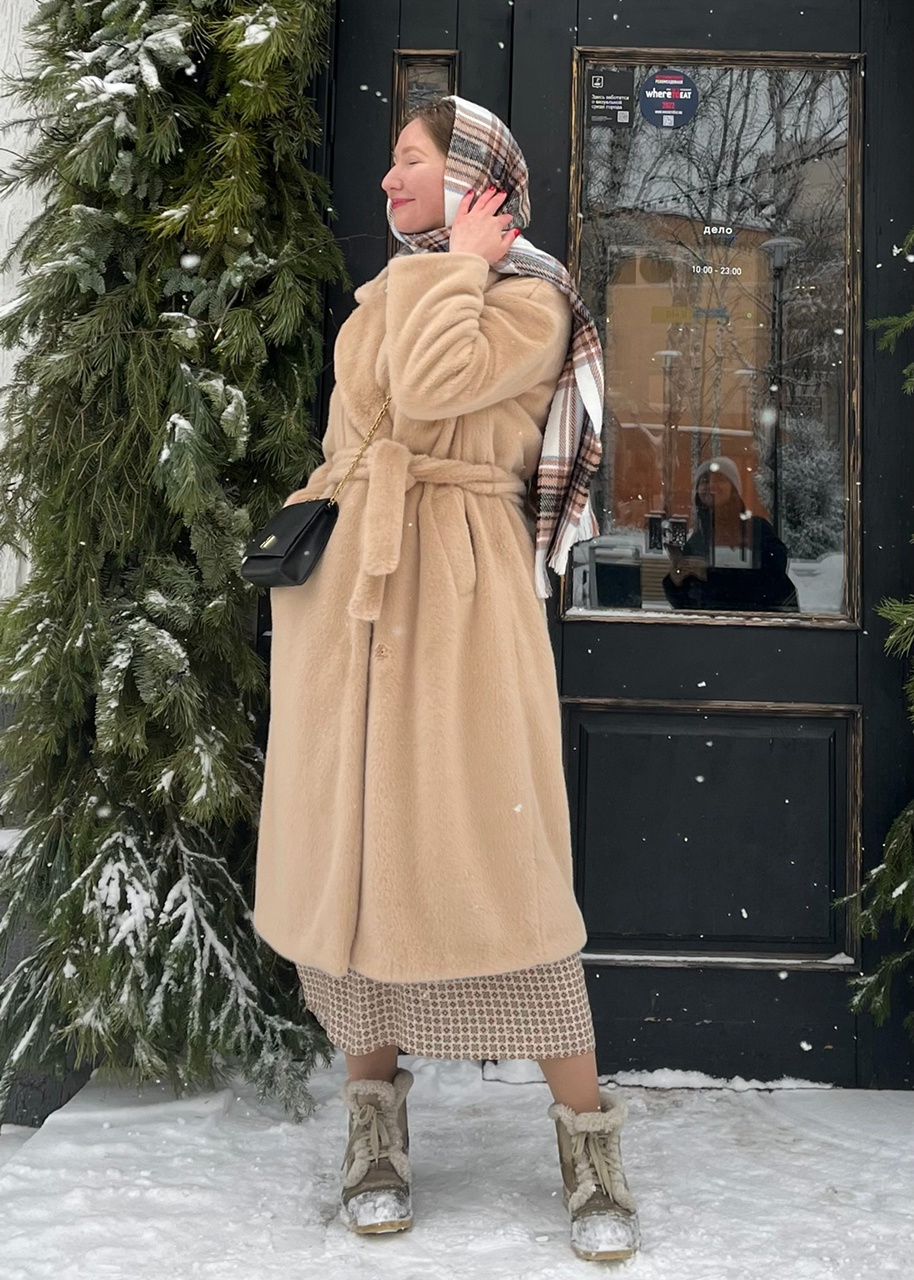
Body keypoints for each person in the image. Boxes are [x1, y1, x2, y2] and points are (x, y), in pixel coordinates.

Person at [252, 95, 640, 1263]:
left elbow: (429, 389)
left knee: (500, 859)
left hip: (461, 596)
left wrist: (460, 265)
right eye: (388, 162)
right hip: (353, 599)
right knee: (358, 861)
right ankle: (372, 1124)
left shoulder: (527, 297)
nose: (387, 180)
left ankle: (588, 1141)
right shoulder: (386, 293)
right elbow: (357, 432)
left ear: (476, 179)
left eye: (410, 160)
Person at [663, 456, 799, 612]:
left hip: (760, 624)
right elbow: (689, 603)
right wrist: (676, 582)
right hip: (713, 626)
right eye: (704, 481)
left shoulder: (757, 530)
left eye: (720, 479)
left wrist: (709, 574)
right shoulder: (698, 540)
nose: (711, 485)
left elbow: (771, 584)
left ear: (734, 489)